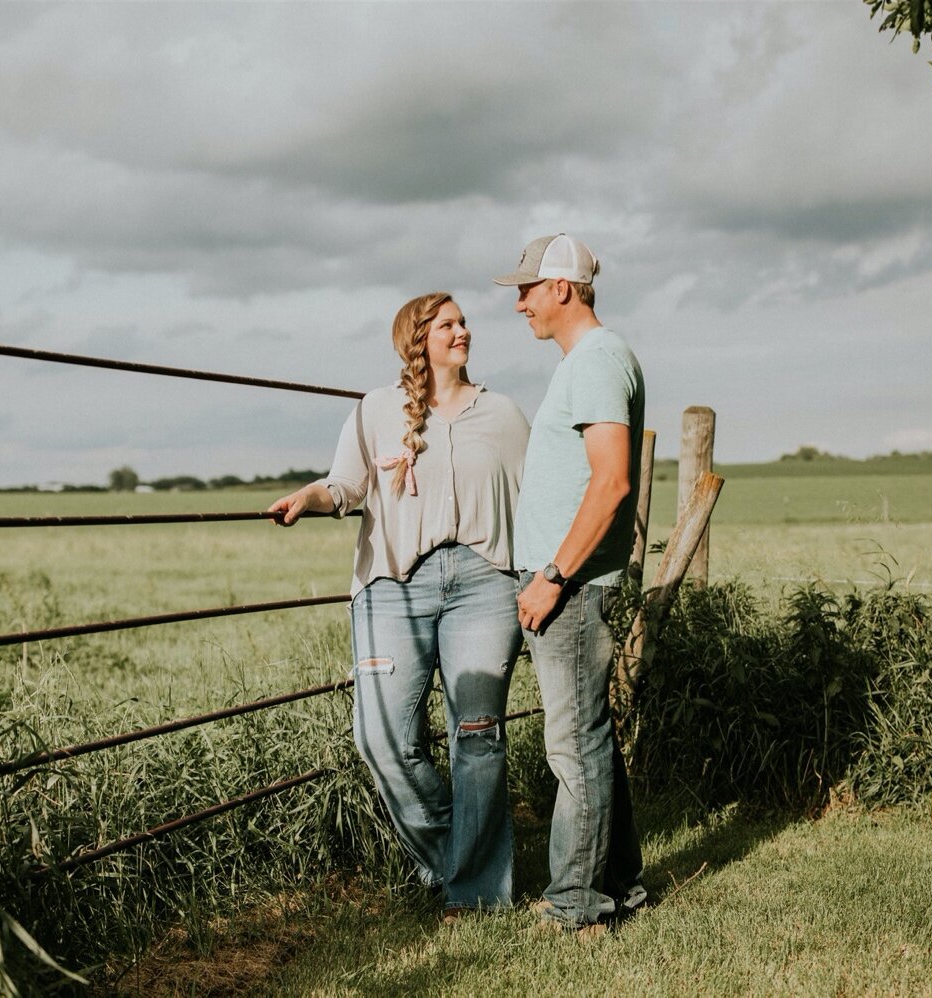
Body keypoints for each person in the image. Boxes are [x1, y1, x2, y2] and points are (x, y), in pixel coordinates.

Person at [268, 292, 529, 919]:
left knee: (478, 737)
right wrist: (309, 498)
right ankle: (459, 863)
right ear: (417, 338)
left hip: (485, 582)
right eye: (447, 324)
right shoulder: (375, 410)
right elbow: (346, 485)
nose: (463, 330)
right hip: (392, 582)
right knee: (381, 738)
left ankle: (476, 895)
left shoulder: (504, 414)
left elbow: (534, 498)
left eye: (463, 322)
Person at [492, 233, 647, 936]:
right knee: (590, 742)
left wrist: (553, 575)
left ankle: (577, 907)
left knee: (572, 747)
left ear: (562, 288)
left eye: (527, 288)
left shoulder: (596, 360)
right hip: (573, 582)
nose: (519, 302)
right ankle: (619, 886)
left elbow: (612, 482)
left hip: (573, 587)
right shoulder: (590, 361)